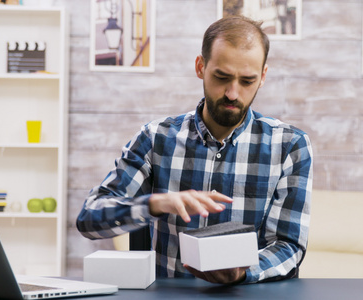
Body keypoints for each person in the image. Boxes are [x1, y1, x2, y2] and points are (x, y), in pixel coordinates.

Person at [76, 15, 313, 285]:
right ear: (201, 67)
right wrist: (154, 204)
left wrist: (243, 272)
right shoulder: (156, 138)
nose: (233, 93)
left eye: (247, 81)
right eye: (222, 77)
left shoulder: (290, 146)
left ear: (263, 77)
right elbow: (89, 218)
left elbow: (289, 246)